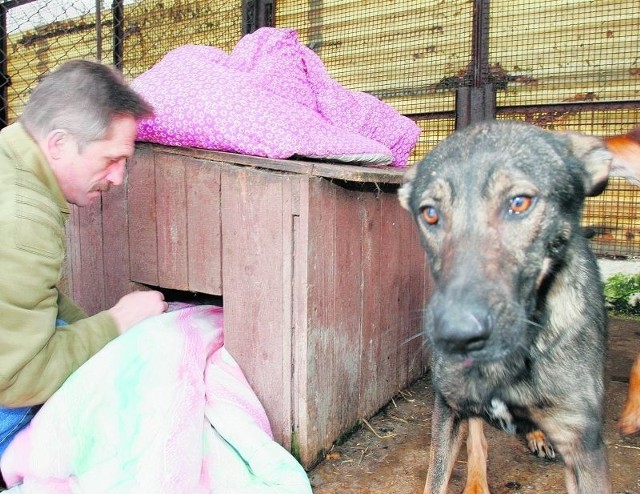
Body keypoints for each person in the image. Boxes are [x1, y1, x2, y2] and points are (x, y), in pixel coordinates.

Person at [0, 60, 168, 471]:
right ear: (58, 144)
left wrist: (91, 329)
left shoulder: (12, 154)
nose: (118, 177)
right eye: (111, 159)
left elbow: (30, 299)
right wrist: (117, 323)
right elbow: (16, 381)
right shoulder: (22, 220)